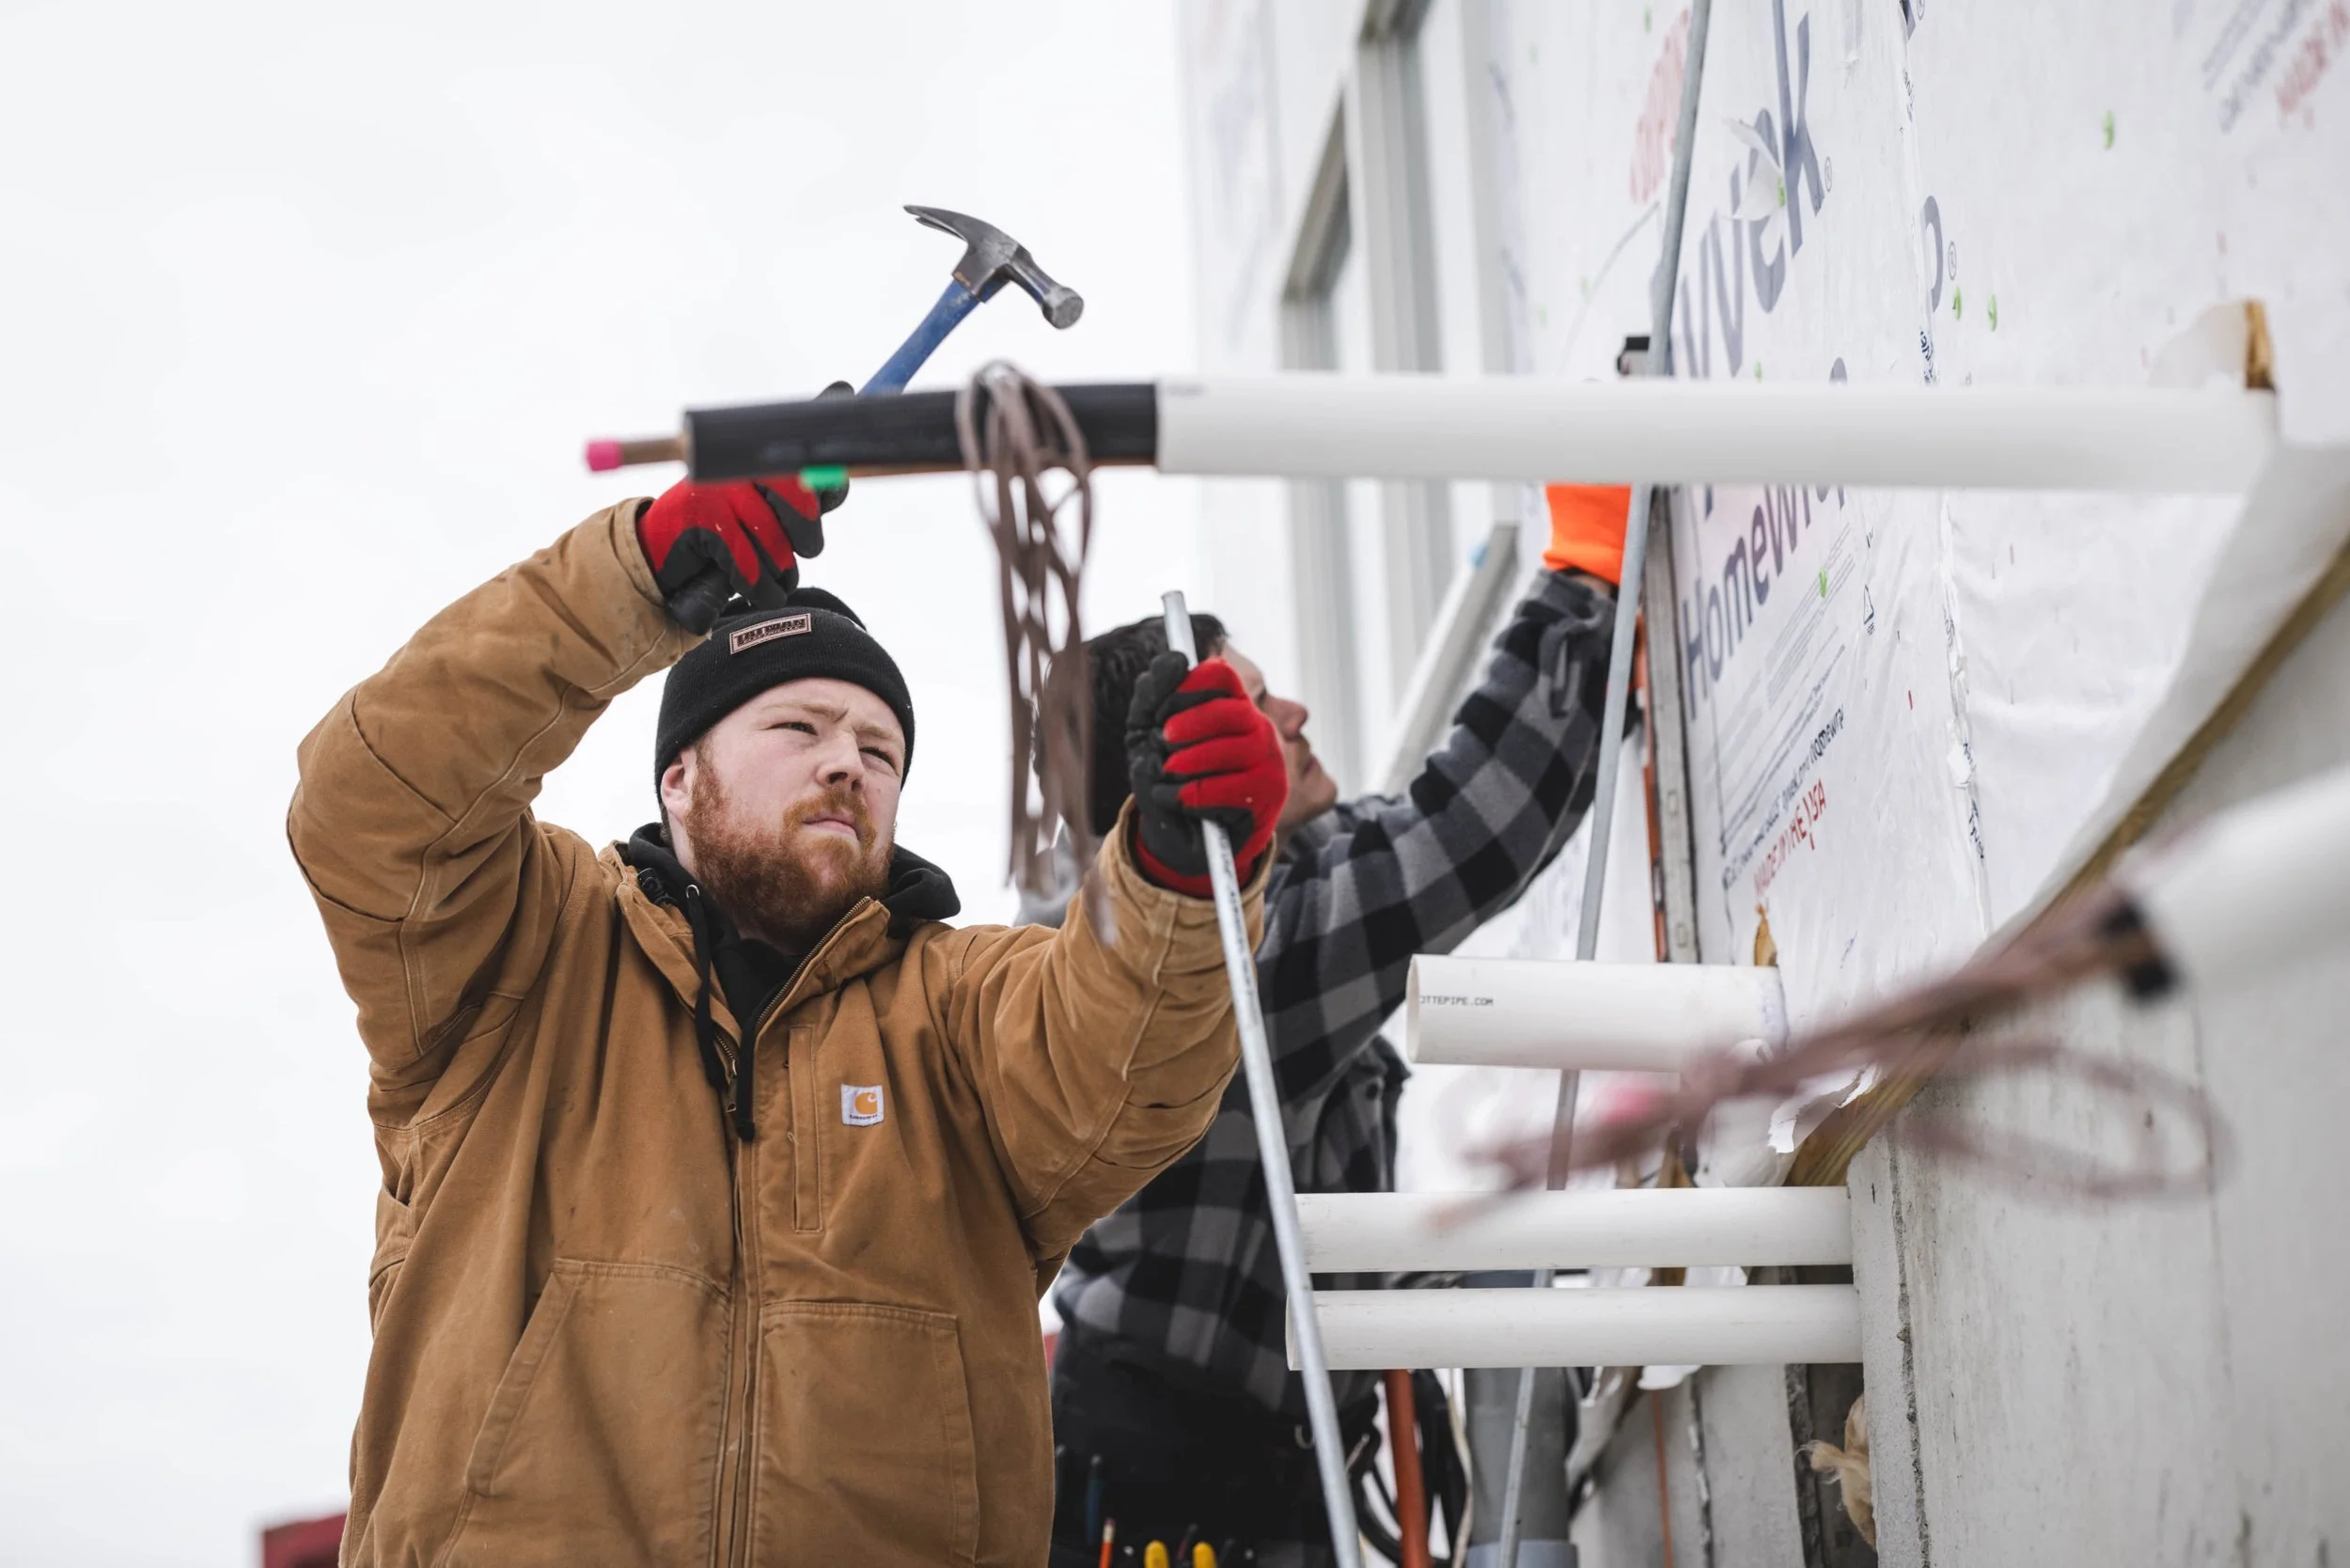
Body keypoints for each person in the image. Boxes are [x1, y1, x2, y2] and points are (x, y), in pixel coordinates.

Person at [289, 472, 1292, 1566]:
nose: (844, 764)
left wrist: (1181, 871)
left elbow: (1124, 1053)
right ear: (679, 778)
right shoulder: (521, 955)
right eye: (799, 725)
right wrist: (632, 577)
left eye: (879, 751)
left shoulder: (955, 1012)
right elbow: (368, 803)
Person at [1042, 486, 1635, 1565]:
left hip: (1244, 1462)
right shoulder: (1217, 952)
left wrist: (1596, 675)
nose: (1299, 715)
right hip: (1164, 1472)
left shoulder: (1272, 902)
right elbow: (1462, 834)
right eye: (1257, 705)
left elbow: (1456, 831)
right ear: (1172, 771)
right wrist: (1586, 581)